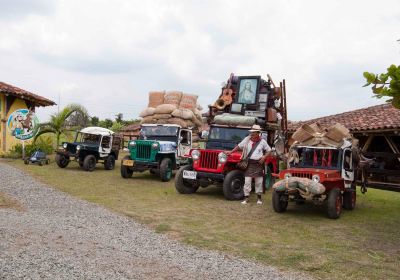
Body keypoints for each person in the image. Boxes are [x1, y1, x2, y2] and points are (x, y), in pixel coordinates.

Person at [227, 124, 271, 205]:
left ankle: (259, 198)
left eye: (254, 132)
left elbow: (269, 150)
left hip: (258, 164)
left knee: (259, 182)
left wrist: (264, 157)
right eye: (251, 132)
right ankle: (246, 198)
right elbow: (239, 146)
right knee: (247, 182)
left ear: (258, 133)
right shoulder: (247, 139)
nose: (252, 134)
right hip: (249, 164)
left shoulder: (262, 142)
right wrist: (231, 152)